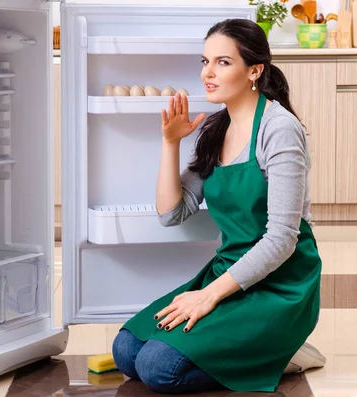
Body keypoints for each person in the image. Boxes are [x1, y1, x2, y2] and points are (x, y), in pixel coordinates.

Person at [111, 18, 325, 394]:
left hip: (281, 281)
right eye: (204, 61)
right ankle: (261, 350)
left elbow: (281, 240)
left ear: (254, 70)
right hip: (231, 270)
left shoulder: (278, 129)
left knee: (159, 368)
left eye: (222, 62)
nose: (208, 73)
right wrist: (170, 143)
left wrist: (208, 295)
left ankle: (283, 352)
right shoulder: (215, 129)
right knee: (127, 350)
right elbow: (171, 214)